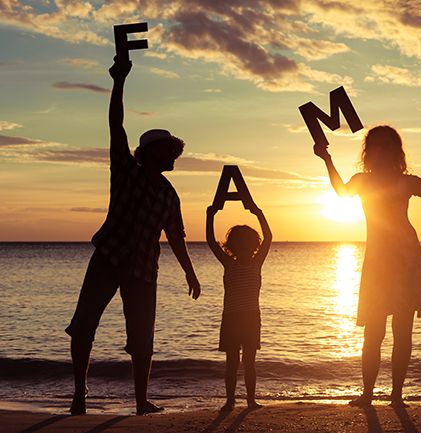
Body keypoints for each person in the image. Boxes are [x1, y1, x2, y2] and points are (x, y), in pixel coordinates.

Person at [65, 57, 201, 416]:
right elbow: (116, 125)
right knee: (84, 327)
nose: (173, 156)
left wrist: (190, 271)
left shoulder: (170, 194)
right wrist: (118, 81)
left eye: (174, 151)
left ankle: (141, 401)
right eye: (168, 150)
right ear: (149, 153)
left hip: (143, 269)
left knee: (143, 340)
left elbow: (176, 235)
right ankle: (80, 396)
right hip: (108, 258)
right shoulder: (126, 170)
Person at [314, 125, 421, 407]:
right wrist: (326, 159)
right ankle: (367, 394)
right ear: (369, 151)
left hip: (406, 259)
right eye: (377, 144)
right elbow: (342, 192)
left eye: (388, 144)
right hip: (378, 261)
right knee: (373, 332)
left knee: (402, 332)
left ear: (396, 150)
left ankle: (396, 396)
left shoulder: (405, 181)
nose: (382, 150)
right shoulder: (362, 181)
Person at [206, 204, 272, 412]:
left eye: (248, 244)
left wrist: (259, 213)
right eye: (240, 244)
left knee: (249, 362)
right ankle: (230, 400)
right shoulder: (229, 263)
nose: (244, 248)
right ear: (233, 246)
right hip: (232, 318)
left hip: (251, 318)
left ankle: (250, 400)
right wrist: (210, 216)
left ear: (253, 246)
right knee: (232, 362)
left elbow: (269, 237)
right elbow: (211, 242)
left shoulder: (257, 262)